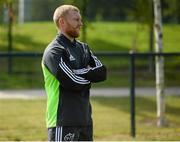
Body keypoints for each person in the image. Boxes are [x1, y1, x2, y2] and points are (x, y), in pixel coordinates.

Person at [41, 4, 107, 141]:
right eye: (76, 20)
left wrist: (76, 72)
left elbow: (102, 73)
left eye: (80, 20)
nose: (80, 24)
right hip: (63, 120)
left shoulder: (84, 48)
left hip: (85, 120)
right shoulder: (54, 51)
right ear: (62, 22)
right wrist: (88, 75)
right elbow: (71, 82)